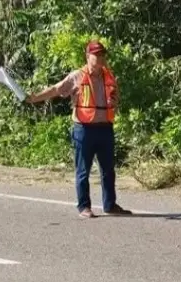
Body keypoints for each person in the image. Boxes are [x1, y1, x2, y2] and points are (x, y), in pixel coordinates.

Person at [25, 40, 132, 218]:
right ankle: (84, 207)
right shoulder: (77, 76)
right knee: (83, 170)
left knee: (108, 170)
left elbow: (115, 97)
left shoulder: (109, 75)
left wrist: (114, 101)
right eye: (96, 54)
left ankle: (110, 205)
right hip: (84, 129)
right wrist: (34, 98)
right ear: (87, 56)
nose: (100, 58)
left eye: (102, 54)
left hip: (105, 128)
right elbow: (56, 89)